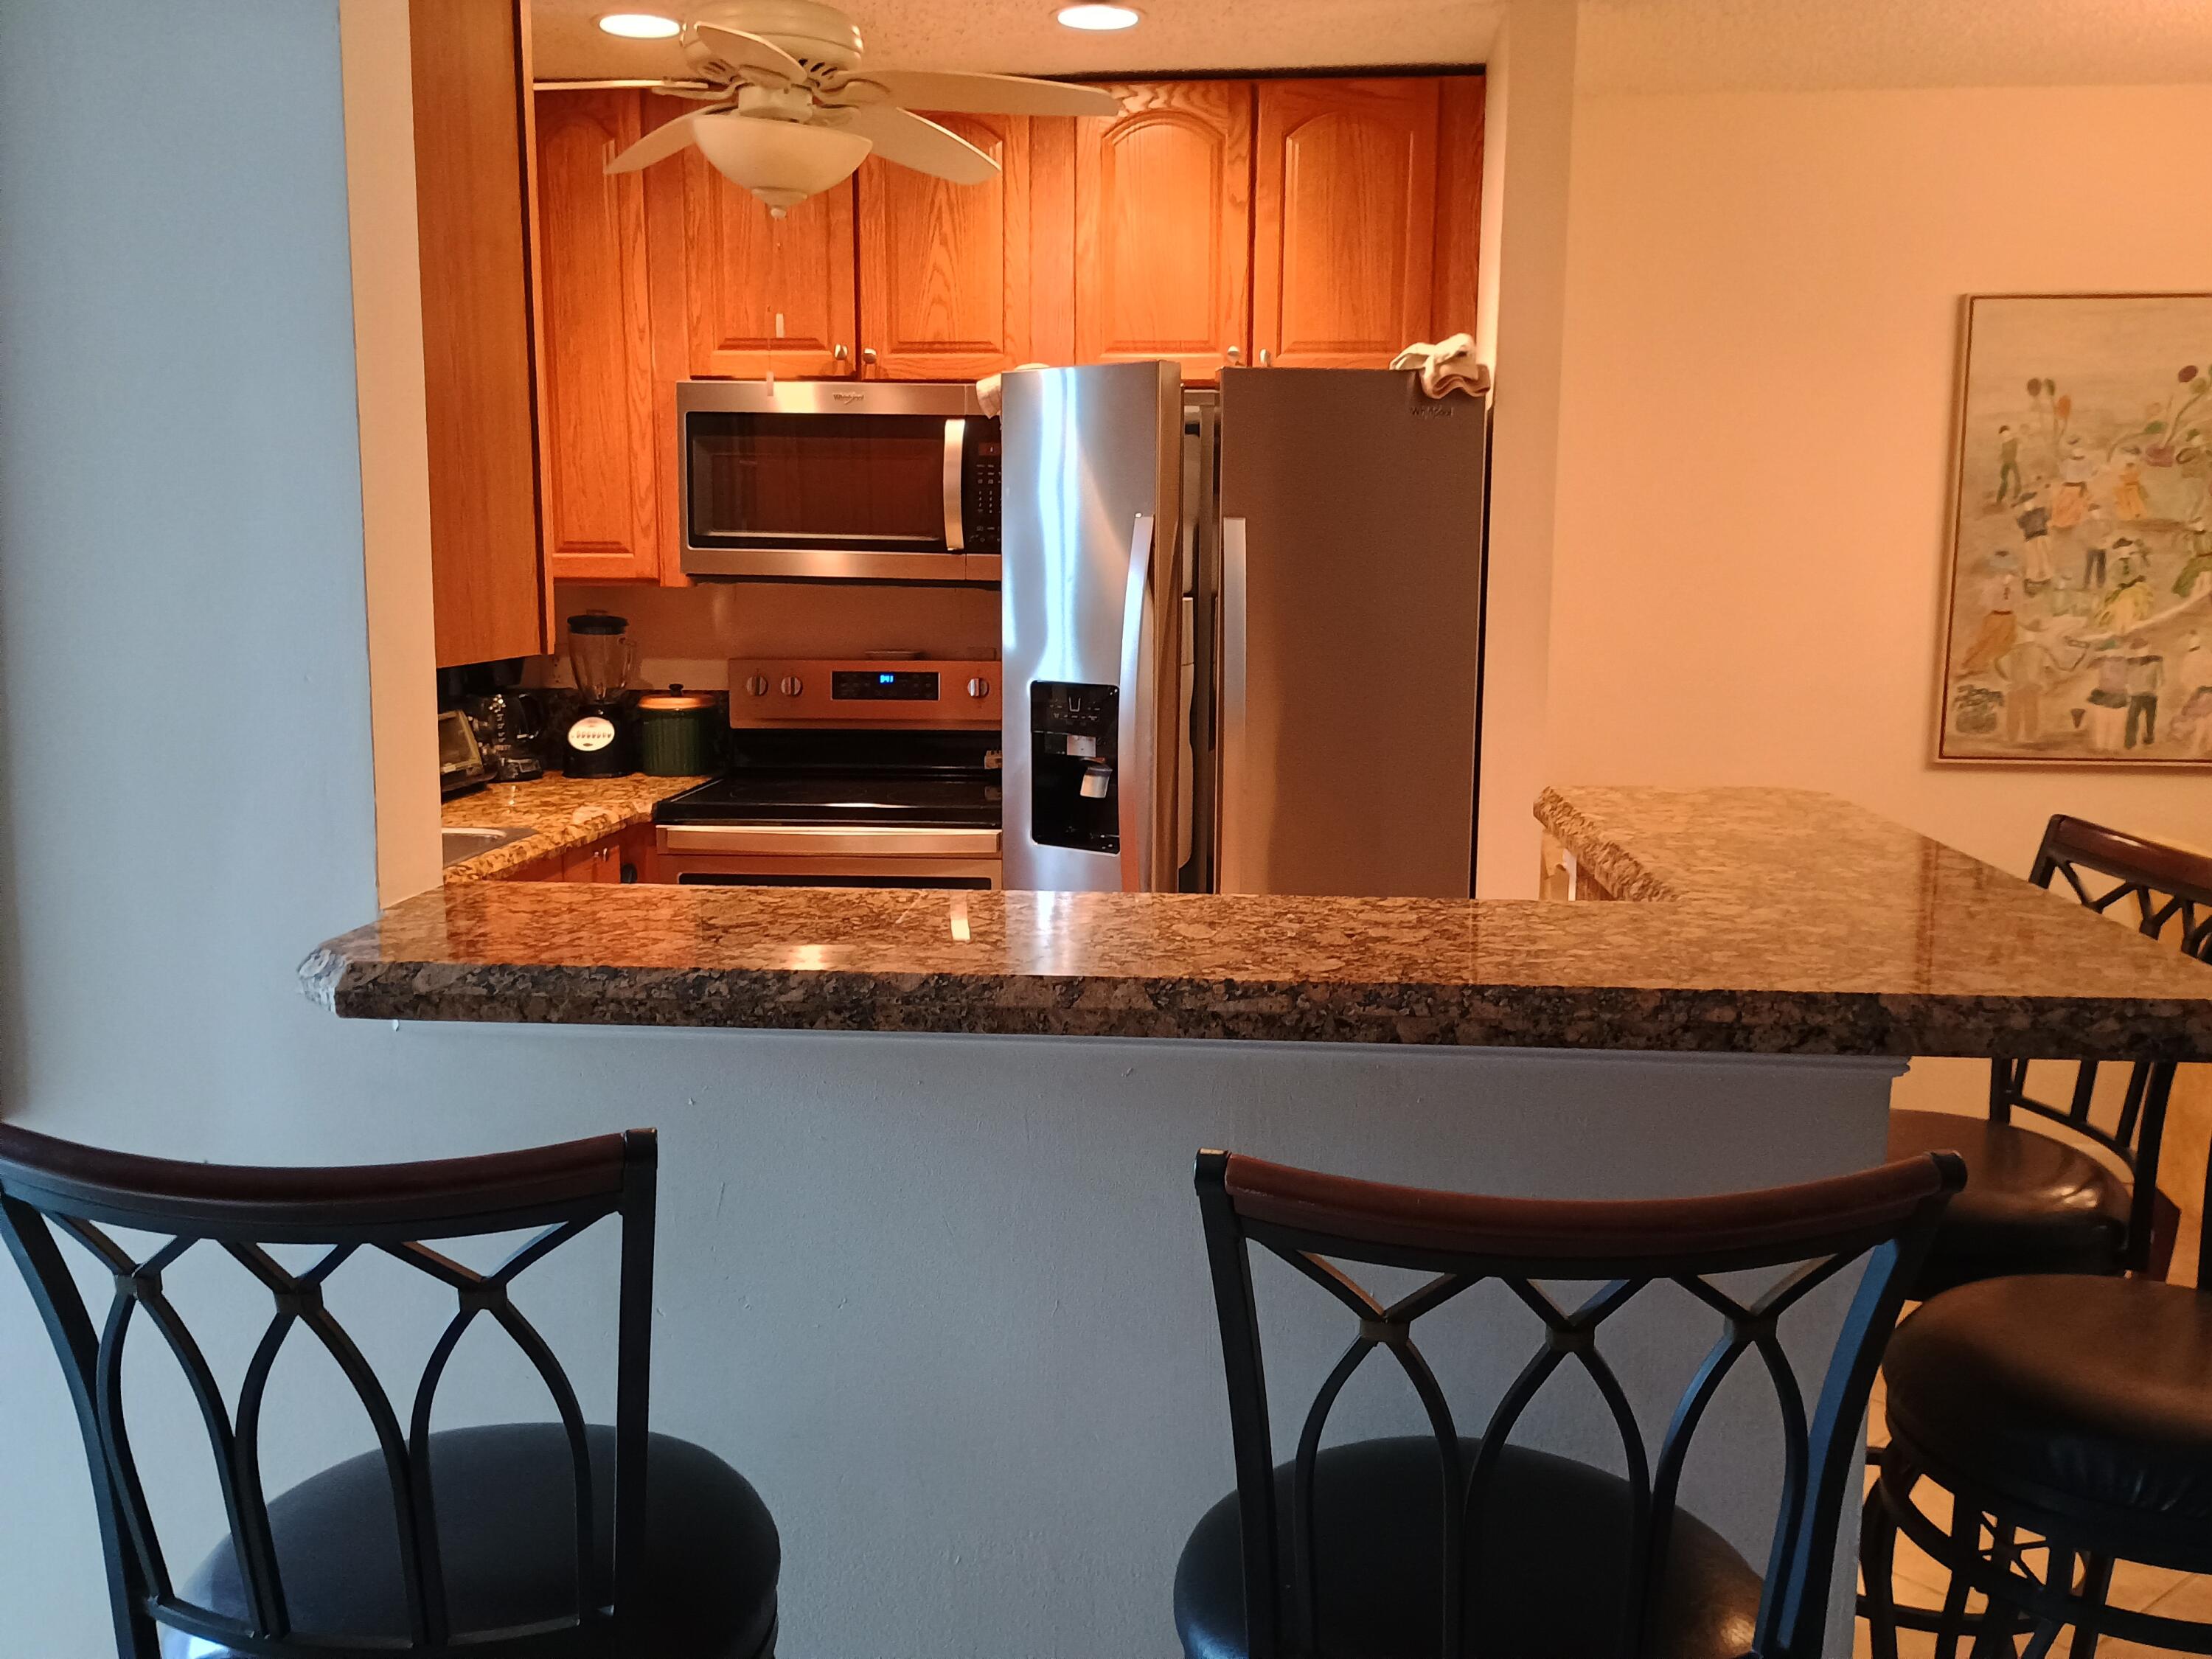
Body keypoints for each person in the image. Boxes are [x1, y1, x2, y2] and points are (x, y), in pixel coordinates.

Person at [1955, 568, 2020, 675]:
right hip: (1995, 616)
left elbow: (2016, 602)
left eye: (2012, 577)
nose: (2010, 578)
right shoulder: (1993, 587)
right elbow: (1987, 602)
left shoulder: (2015, 589)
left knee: (2004, 642)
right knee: (1985, 641)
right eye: (2008, 576)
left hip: (2009, 617)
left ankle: (1990, 665)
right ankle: (1970, 663)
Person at [2084, 652, 2129, 751]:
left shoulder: (2125, 662)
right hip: (2104, 695)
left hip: (2118, 696)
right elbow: (2089, 666)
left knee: (2114, 723)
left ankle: (2110, 747)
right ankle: (2102, 746)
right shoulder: (2103, 660)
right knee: (2102, 723)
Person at [2014, 484, 2055, 587]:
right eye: (2026, 503)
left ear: (2033, 501)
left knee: (2044, 557)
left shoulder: (2041, 511)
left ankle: (2047, 577)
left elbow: (2049, 516)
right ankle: (2034, 579)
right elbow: (2020, 525)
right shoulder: (2024, 516)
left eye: (2030, 501)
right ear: (2023, 505)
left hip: (2042, 536)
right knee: (2033, 559)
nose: (2028, 504)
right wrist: (2015, 512)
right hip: (2030, 539)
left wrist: (2050, 495)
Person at [2125, 653, 2165, 748]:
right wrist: (2131, 691)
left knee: (2148, 719)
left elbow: (2161, 680)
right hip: (2137, 695)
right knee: (2134, 719)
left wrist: (2154, 691)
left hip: (2148, 695)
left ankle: (2146, 740)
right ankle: (2131, 742)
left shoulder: (2155, 664)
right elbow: (2126, 680)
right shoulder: (2131, 665)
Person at [2051, 442, 2094, 529]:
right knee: (2067, 505)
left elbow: (2063, 473)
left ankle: (2066, 523)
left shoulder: (2069, 462)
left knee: (2070, 506)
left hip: (2074, 487)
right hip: (2073, 486)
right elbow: (2088, 476)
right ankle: (2064, 523)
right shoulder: (2084, 462)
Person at [2112, 445, 2149, 520]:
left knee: (2134, 501)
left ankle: (2136, 515)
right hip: (2128, 486)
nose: (2125, 458)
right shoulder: (2128, 466)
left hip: (2133, 487)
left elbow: (2130, 476)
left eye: (2128, 455)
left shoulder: (2134, 467)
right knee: (2126, 500)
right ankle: (2131, 516)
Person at [1994, 424, 2023, 505]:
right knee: (2004, 479)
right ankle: (2000, 497)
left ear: (2008, 432)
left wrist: (2018, 456)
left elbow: (2019, 448)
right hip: (2006, 463)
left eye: (2005, 433)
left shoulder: (2014, 441)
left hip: (2013, 461)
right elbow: (2004, 453)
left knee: (2017, 478)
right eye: (2002, 434)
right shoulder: (2004, 443)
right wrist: (2000, 457)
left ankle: (2017, 495)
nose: (2004, 435)